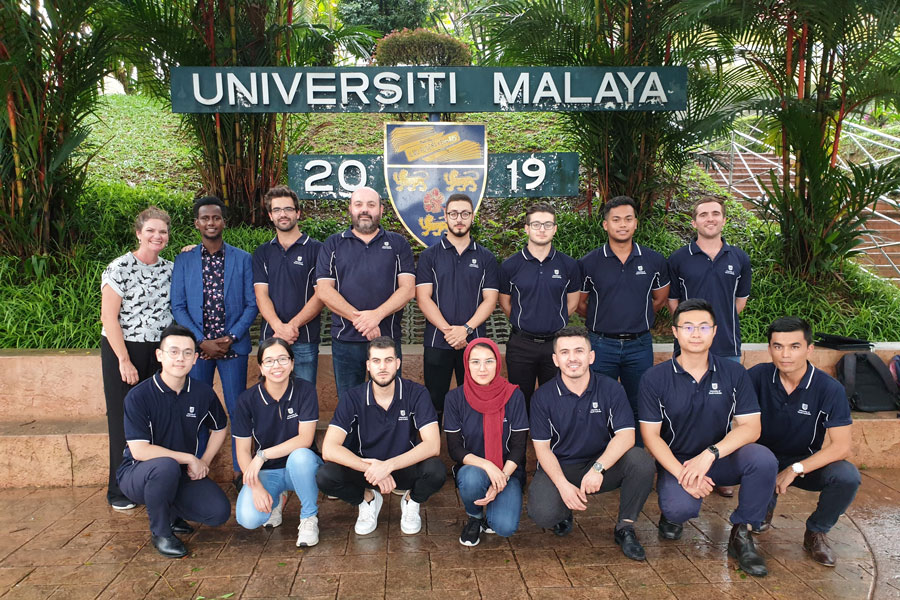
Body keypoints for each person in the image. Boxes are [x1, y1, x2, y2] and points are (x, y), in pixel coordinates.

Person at [638, 299, 776, 577]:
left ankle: (742, 533)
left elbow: (752, 427)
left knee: (763, 459)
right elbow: (651, 436)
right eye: (688, 327)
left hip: (720, 457)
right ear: (675, 332)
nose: (696, 333)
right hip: (678, 461)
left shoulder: (734, 373)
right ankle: (671, 513)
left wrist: (709, 454)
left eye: (703, 326)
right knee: (679, 509)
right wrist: (683, 473)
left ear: (715, 331)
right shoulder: (654, 378)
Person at [527, 326, 655, 561]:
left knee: (641, 461)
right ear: (555, 360)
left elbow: (626, 435)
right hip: (562, 466)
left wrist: (598, 468)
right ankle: (563, 511)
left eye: (579, 350)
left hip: (602, 465)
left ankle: (625, 527)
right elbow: (542, 449)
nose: (573, 358)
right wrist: (564, 487)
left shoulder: (611, 389)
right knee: (543, 514)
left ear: (591, 356)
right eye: (564, 352)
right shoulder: (542, 397)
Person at [748, 316, 860, 566]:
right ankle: (763, 508)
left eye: (794, 346)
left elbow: (842, 446)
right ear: (769, 348)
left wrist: (795, 469)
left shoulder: (829, 389)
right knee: (755, 516)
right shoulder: (757, 376)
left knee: (847, 476)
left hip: (803, 461)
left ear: (809, 349)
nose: (785, 354)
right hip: (761, 458)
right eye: (778, 346)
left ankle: (816, 531)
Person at [116, 325, 231, 558]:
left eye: (188, 353)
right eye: (174, 351)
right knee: (165, 465)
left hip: (182, 474)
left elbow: (220, 427)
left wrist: (204, 461)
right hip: (139, 472)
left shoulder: (202, 393)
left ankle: (171, 512)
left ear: (195, 359)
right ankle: (161, 532)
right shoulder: (139, 396)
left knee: (218, 512)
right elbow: (139, 450)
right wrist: (190, 458)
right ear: (160, 355)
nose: (181, 358)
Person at [316, 336, 446, 536]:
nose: (382, 367)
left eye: (388, 360)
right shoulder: (353, 397)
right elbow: (329, 448)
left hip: (403, 468)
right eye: (376, 361)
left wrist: (389, 466)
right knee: (326, 476)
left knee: (436, 470)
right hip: (367, 471)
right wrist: (371, 467)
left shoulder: (417, 393)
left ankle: (411, 502)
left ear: (397, 363)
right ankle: (368, 499)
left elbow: (433, 445)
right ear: (368, 365)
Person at [667, 196, 751, 499]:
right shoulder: (679, 259)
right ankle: (680, 464)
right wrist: (693, 333)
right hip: (688, 348)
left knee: (727, 411)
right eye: (703, 214)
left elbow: (738, 303)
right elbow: (674, 305)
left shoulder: (738, 258)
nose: (710, 219)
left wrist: (714, 331)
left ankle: (722, 470)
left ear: (724, 220)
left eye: (716, 214)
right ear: (694, 222)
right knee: (688, 408)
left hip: (727, 345)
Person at [171, 196, 258, 489]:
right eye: (205, 218)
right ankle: (198, 467)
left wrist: (230, 338)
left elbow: (251, 304)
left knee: (236, 408)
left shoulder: (243, 259)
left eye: (216, 218)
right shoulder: (183, 261)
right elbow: (178, 306)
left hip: (232, 348)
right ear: (197, 223)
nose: (211, 223)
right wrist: (200, 341)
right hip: (199, 351)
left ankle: (240, 470)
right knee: (196, 410)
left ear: (224, 221)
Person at [100, 206, 174, 510]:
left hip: (159, 352)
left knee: (157, 419)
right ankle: (119, 490)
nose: (157, 236)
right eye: (151, 231)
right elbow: (109, 317)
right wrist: (123, 360)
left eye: (163, 231)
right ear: (138, 233)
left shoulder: (170, 269)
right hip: (124, 350)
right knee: (123, 419)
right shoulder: (119, 268)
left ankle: (155, 484)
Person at [578, 195, 669, 438]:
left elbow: (659, 300)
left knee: (640, 404)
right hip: (600, 344)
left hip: (639, 345)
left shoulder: (653, 260)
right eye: (616, 219)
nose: (622, 224)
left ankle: (636, 460)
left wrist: (636, 315)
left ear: (636, 223)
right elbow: (580, 303)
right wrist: (605, 318)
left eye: (628, 219)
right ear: (606, 225)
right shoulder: (589, 262)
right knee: (598, 403)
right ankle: (601, 457)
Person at [316, 187, 415, 397]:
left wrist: (376, 316)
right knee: (349, 403)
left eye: (371, 205)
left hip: (387, 339)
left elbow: (407, 289)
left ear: (381, 209)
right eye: (359, 204)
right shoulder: (333, 244)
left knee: (389, 401)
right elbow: (324, 291)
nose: (365, 210)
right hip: (345, 341)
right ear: (350, 208)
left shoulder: (398, 244)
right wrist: (363, 321)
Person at [416, 193, 500, 425]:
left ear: (472, 217)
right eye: (453, 214)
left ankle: (471, 458)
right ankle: (432, 457)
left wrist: (465, 330)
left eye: (464, 214)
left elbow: (490, 300)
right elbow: (423, 299)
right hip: (437, 342)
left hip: (475, 344)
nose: (459, 219)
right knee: (434, 405)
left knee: (474, 403)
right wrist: (449, 331)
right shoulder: (428, 256)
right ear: (445, 216)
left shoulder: (487, 258)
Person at [232, 337, 323, 547]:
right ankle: (276, 500)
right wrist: (255, 487)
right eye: (270, 361)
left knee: (300, 457)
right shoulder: (246, 400)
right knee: (249, 519)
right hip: (268, 473)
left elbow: (305, 439)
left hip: (301, 469)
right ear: (261, 368)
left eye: (283, 359)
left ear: (292, 363)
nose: (277, 366)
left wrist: (262, 455)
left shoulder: (305, 390)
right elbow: (243, 451)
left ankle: (309, 517)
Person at [444, 338, 528, 547]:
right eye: (475, 362)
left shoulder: (513, 395)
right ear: (466, 364)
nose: (482, 368)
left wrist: (502, 476)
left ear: (498, 364)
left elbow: (519, 447)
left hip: (508, 471)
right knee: (471, 478)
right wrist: (488, 466)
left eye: (489, 361)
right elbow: (455, 449)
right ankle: (474, 516)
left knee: (504, 527)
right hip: (475, 469)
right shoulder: (455, 398)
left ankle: (493, 509)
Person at [499, 202, 581, 411]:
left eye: (547, 224)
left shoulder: (569, 265)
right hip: (521, 344)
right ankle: (519, 442)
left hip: (556, 343)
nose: (541, 229)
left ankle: (554, 442)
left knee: (556, 400)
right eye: (536, 224)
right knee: (518, 401)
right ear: (526, 228)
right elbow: (505, 303)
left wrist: (554, 320)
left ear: (555, 228)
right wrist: (525, 321)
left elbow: (572, 303)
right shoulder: (510, 265)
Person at [253, 185, 325, 384]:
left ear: (298, 213)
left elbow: (321, 295)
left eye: (288, 209)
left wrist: (292, 327)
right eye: (276, 210)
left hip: (304, 338)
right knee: (270, 399)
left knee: (304, 398)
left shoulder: (318, 250)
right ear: (270, 215)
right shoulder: (262, 253)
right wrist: (279, 327)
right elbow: (261, 295)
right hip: (270, 337)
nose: (282, 214)